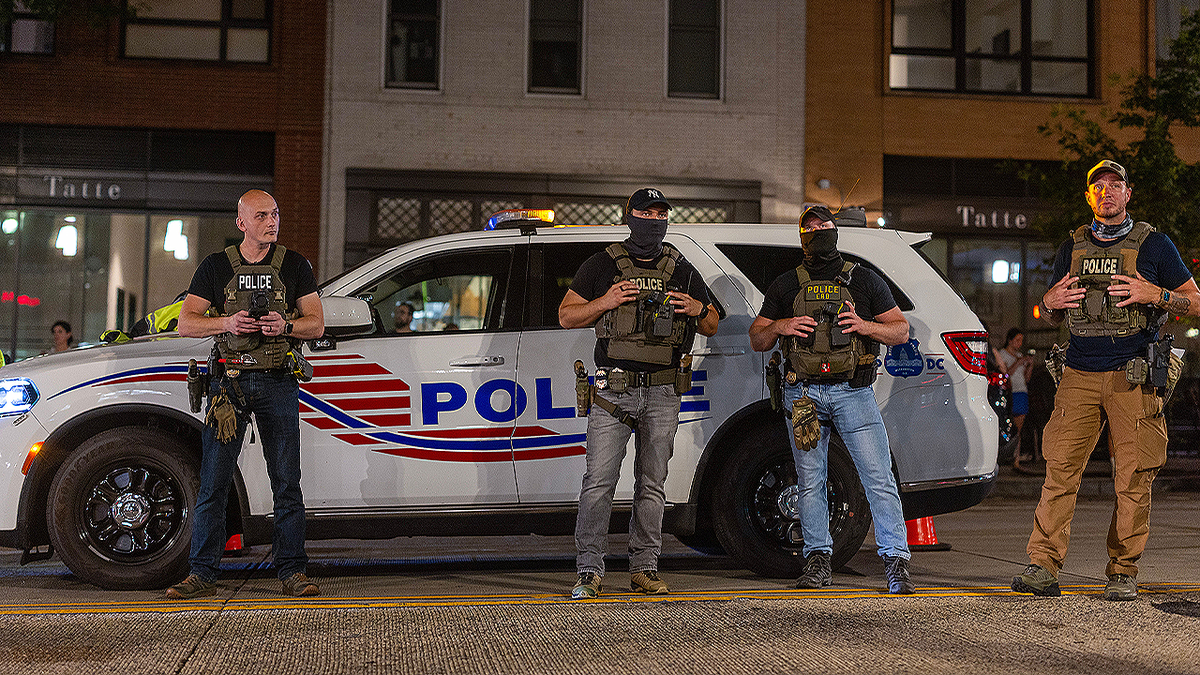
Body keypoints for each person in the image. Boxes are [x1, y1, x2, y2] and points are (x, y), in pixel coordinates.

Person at [1012, 160, 1200, 601]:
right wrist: (1048, 301)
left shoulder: (1154, 245)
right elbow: (1053, 308)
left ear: (1128, 194)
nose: (1107, 191)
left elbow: (1195, 301)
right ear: (1089, 197)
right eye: (1098, 186)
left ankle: (1122, 570)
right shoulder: (1072, 246)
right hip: (1077, 373)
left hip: (1132, 376)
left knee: (1133, 477)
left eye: (1116, 185)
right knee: (1059, 472)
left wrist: (1157, 294)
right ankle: (1042, 566)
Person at [558, 187, 719, 598]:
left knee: (652, 484)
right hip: (613, 391)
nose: (654, 220)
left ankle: (644, 568)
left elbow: (713, 323)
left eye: (661, 214)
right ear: (628, 215)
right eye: (646, 213)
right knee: (599, 483)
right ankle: (589, 571)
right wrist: (605, 300)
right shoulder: (601, 264)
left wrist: (698, 309)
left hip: (663, 391)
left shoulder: (681, 269)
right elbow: (566, 316)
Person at [749, 204, 915, 594]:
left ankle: (896, 562)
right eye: (810, 227)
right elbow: (758, 338)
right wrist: (781, 325)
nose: (818, 230)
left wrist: (864, 326)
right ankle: (817, 560)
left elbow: (901, 331)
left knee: (878, 478)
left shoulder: (865, 280)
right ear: (802, 237)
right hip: (803, 394)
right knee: (810, 481)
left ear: (835, 230)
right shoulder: (786, 284)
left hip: (853, 392)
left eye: (824, 224)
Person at [167, 189, 325, 599]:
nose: (272, 222)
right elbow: (186, 323)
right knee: (213, 483)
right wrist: (227, 323)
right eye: (261, 216)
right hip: (228, 385)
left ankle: (292, 571)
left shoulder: (294, 264)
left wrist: (284, 327)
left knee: (286, 483)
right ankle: (201, 573)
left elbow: (316, 324)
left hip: (278, 381)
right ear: (241, 223)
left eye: (275, 214)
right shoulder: (216, 265)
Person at [995, 328, 1035, 467]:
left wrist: (1029, 365)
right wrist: (1018, 362)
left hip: (1021, 391)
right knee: (1005, 425)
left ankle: (1016, 459)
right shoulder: (1002, 354)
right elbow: (1007, 373)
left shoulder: (1019, 355)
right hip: (1010, 392)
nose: (1019, 343)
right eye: (1017, 340)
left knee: (1019, 428)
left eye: (1021, 340)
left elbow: (1026, 378)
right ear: (1010, 340)